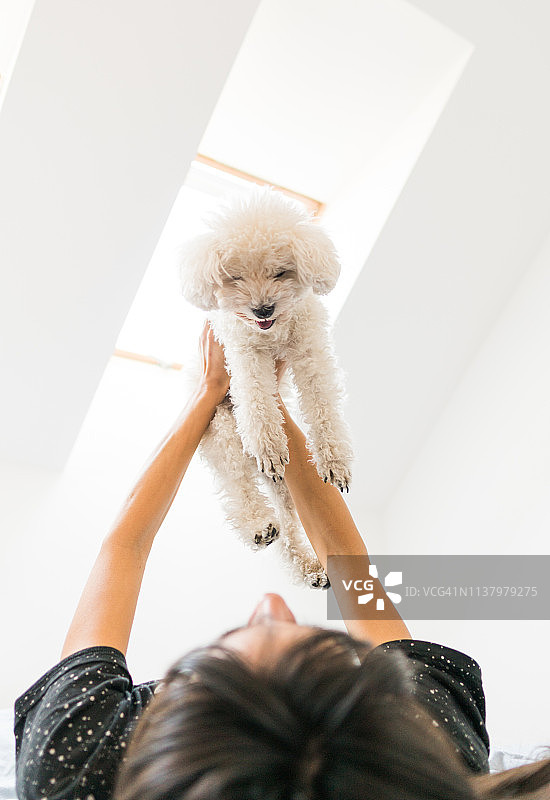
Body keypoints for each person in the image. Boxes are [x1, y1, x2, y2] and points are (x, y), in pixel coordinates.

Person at [14, 323, 550, 800]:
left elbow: (124, 545)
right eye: (317, 643)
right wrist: (262, 402)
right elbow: (349, 567)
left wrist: (207, 394)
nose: (271, 602)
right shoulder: (418, 748)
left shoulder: (77, 761)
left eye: (229, 647)